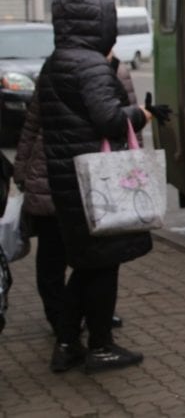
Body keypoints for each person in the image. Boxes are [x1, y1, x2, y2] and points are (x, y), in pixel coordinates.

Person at [36, 0, 152, 374]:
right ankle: (101, 346)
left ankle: (68, 343)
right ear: (99, 24)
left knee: (87, 264)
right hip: (98, 183)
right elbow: (110, 120)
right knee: (103, 265)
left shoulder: (55, 62)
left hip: (67, 178)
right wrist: (139, 114)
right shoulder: (91, 65)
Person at [13, 51, 138, 339]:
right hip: (53, 181)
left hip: (98, 181)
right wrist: (21, 171)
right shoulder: (55, 67)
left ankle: (90, 315)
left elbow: (126, 125)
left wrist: (133, 165)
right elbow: (33, 123)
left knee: (92, 260)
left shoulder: (116, 70)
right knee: (55, 259)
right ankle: (63, 323)